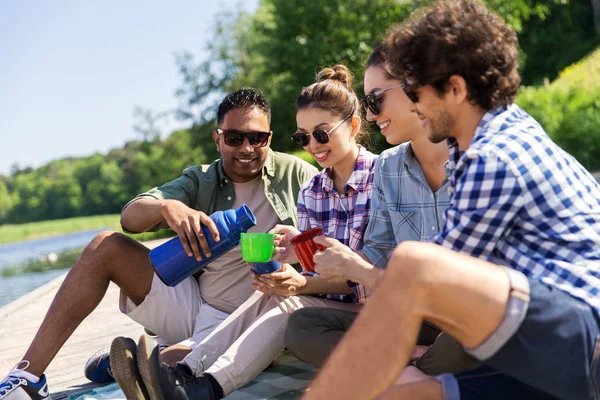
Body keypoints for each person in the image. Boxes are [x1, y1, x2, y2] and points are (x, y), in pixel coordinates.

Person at [304, 1, 600, 399]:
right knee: (401, 392)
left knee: (415, 263)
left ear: (456, 89)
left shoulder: (493, 157)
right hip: (534, 340)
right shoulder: (486, 141)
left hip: (578, 337)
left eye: (415, 91)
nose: (412, 104)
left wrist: (358, 275)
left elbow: (428, 281)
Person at [0, 87, 318, 400]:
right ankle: (27, 377)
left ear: (270, 139)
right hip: (195, 305)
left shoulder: (299, 175)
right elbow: (129, 218)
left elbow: (331, 241)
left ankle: (142, 357)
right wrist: (168, 207)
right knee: (105, 246)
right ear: (217, 138)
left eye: (257, 138)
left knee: (167, 371)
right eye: (234, 138)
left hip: (260, 316)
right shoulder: (200, 179)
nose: (246, 148)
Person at [110, 64, 379, 400]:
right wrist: (295, 267)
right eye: (302, 137)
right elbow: (320, 270)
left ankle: (201, 388)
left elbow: (370, 270)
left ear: (354, 126)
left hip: (377, 304)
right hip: (325, 305)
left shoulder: (383, 179)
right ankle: (183, 374)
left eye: (321, 134)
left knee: (285, 305)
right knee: (272, 296)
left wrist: (302, 282)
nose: (312, 145)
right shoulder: (312, 190)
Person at [284, 44, 479, 381]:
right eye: (304, 137)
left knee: (468, 339)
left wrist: (355, 269)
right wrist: (336, 258)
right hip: (413, 316)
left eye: (376, 100)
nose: (373, 115)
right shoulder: (389, 166)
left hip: (468, 314)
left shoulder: (477, 157)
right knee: (301, 327)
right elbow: (380, 249)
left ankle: (403, 371)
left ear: (416, 88)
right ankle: (414, 369)